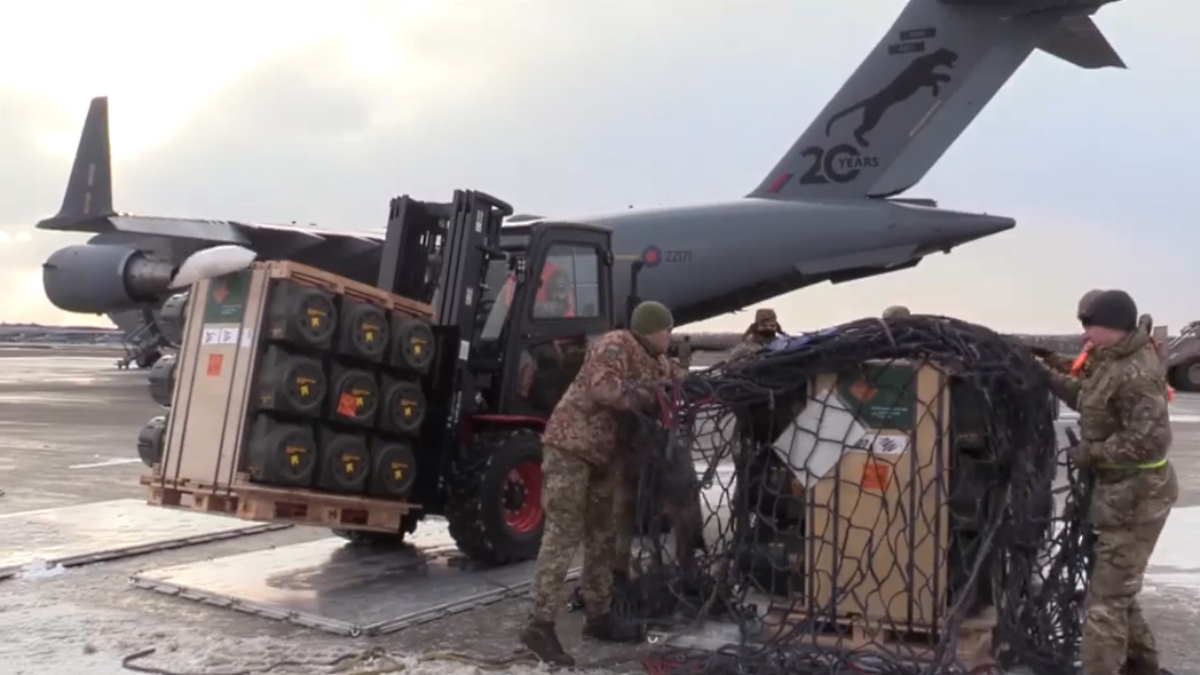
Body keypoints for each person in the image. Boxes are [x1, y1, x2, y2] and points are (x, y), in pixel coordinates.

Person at [519, 300, 680, 666]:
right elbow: (604, 390)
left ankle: (600, 615)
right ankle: (540, 625)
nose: (670, 337)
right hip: (571, 447)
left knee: (603, 534)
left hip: (604, 456)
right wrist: (647, 395)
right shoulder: (616, 344)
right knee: (563, 533)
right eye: (667, 329)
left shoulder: (655, 359)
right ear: (652, 329)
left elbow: (673, 376)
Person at [1034, 289, 1177, 675]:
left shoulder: (1137, 373)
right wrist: (1046, 371)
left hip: (1138, 500)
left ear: (1113, 327)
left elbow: (1149, 442)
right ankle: (1143, 666)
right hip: (1117, 497)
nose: (1084, 336)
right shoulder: (1110, 360)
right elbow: (1086, 395)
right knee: (1119, 591)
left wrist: (1091, 453)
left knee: (1105, 603)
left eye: (1089, 326)